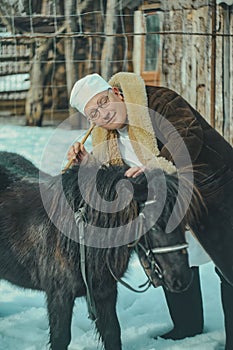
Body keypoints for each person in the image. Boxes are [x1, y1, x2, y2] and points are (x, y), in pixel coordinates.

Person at [68, 72, 233, 349]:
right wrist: (88, 164)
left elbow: (186, 135)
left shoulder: (159, 102)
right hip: (169, 202)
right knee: (172, 256)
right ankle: (187, 326)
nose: (104, 114)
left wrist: (157, 168)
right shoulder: (107, 137)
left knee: (229, 264)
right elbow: (121, 175)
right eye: (94, 113)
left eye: (104, 102)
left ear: (117, 93)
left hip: (213, 189)